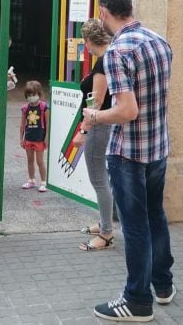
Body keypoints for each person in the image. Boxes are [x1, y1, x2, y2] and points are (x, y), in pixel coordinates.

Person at [83, 0, 175, 322]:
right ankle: (163, 287)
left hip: (129, 154)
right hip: (158, 148)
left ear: (105, 12)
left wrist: (95, 116)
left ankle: (137, 301)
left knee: (136, 227)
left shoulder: (117, 51)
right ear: (130, 8)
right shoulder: (159, 42)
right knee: (156, 217)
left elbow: (126, 110)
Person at [73, 19, 114, 252]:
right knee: (103, 180)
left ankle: (107, 234)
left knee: (98, 180)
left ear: (89, 40)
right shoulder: (108, 59)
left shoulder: (103, 64)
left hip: (98, 128)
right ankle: (104, 223)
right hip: (102, 126)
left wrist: (83, 130)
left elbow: (95, 102)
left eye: (85, 40)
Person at [20, 80, 49, 192]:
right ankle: (31, 180)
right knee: (30, 160)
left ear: (39, 94)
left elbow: (47, 124)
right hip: (28, 138)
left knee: (40, 161)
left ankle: (43, 182)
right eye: (29, 95)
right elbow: (22, 124)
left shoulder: (43, 107)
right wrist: (21, 138)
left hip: (39, 138)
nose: (32, 97)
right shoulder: (25, 108)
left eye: (34, 94)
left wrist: (46, 138)